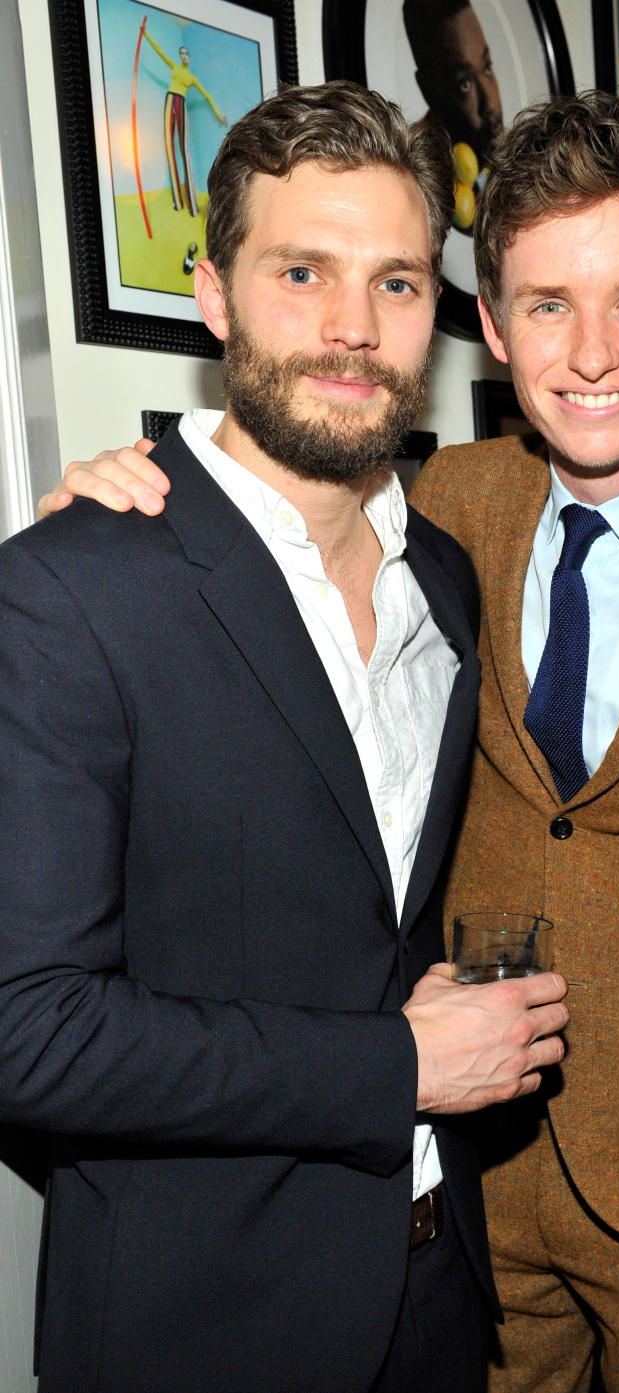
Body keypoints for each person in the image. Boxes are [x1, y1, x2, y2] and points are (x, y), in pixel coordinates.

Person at [42, 89, 619, 1393]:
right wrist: (112, 492)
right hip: (467, 1192)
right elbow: (268, 504)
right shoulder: (446, 504)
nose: (590, 354)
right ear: (489, 325)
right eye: (545, 304)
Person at [2, 81, 571, 1393]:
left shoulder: (445, 576)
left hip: (438, 1291)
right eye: (301, 271)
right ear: (212, 295)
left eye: (396, 284)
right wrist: (399, 1065)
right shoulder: (71, 588)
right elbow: (25, 1030)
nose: (351, 330)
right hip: (206, 1328)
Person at [402, 0, 503, 231]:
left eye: (487, 68)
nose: (489, 103)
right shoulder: (414, 176)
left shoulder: (519, 152)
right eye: (464, 84)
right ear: (428, 91)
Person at [141, 20, 229, 218]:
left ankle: (192, 204)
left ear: (189, 57)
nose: (183, 56)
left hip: (180, 104)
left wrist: (217, 113)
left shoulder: (191, 78)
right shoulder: (174, 68)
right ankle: (177, 202)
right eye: (181, 54)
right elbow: (160, 52)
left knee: (184, 151)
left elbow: (206, 95)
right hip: (169, 100)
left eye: (186, 53)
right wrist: (145, 34)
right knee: (170, 150)